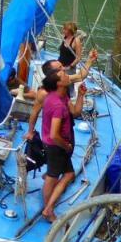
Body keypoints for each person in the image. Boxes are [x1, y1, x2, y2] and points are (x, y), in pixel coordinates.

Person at [40, 69, 85, 222]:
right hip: (56, 146)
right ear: (59, 83)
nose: (67, 75)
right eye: (64, 75)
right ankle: (48, 209)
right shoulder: (57, 105)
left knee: (69, 174)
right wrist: (66, 146)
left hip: (59, 145)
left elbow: (76, 112)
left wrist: (80, 95)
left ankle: (48, 206)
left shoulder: (62, 96)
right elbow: (54, 134)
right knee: (53, 177)